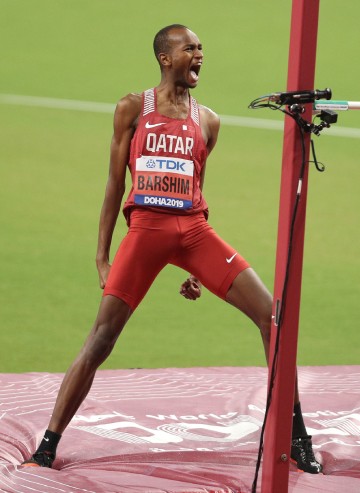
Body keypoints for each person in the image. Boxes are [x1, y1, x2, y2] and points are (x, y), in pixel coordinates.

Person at [21, 24, 322, 474]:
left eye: (201, 49)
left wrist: (200, 269)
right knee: (101, 339)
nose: (199, 55)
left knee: (272, 317)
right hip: (145, 231)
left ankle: (295, 438)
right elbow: (113, 184)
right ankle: (47, 445)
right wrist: (102, 256)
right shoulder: (132, 109)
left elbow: (197, 188)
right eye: (190, 49)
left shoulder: (208, 121)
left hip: (194, 232)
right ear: (166, 58)